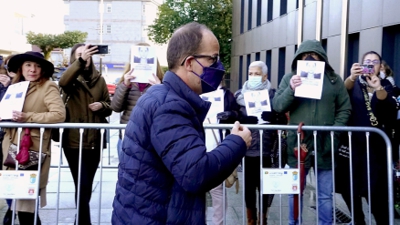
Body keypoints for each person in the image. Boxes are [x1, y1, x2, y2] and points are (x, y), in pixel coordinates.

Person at [112, 22, 252, 224]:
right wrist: (237, 142)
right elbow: (196, 174)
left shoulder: (164, 97)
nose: (218, 66)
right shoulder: (169, 107)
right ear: (189, 63)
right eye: (213, 59)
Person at [272, 39, 351, 225]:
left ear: (322, 57)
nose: (309, 58)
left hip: (326, 143)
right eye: (305, 56)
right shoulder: (289, 77)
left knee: (325, 195)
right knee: (295, 191)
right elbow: (278, 105)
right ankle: (294, 223)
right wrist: (292, 88)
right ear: (298, 58)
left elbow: (345, 108)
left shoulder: (333, 80)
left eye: (314, 55)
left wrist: (335, 131)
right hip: (298, 144)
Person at [1, 51, 66, 224]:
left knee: (25, 203)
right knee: (14, 198)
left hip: (31, 150)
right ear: (21, 68)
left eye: (37, 66)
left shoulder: (48, 86)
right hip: (10, 148)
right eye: (28, 65)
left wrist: (27, 117)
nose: (33, 69)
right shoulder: (16, 87)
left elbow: (58, 115)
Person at [341, 51, 397, 225]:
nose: (371, 64)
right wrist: (351, 77)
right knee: (350, 189)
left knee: (376, 196)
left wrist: (377, 88)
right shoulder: (354, 83)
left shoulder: (387, 84)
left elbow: (389, 106)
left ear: (381, 66)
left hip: (376, 149)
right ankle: (358, 221)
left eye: (375, 62)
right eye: (367, 61)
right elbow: (343, 92)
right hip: (354, 147)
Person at [59, 44, 112, 225]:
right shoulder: (71, 78)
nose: (85, 57)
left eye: (88, 54)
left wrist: (102, 106)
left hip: (95, 140)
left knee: (87, 185)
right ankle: (83, 222)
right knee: (81, 184)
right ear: (74, 58)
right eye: (80, 55)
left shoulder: (100, 80)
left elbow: (109, 106)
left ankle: (79, 220)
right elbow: (63, 82)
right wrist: (80, 62)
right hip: (74, 140)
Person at [236, 61, 288, 225]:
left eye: (257, 74)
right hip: (247, 149)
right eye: (250, 74)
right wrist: (243, 119)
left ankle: (263, 217)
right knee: (249, 188)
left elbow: (282, 118)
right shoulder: (239, 96)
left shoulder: (273, 96)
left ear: (265, 76)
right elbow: (233, 117)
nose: (253, 77)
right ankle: (251, 219)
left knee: (266, 186)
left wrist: (274, 118)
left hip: (267, 150)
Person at [111, 43, 164, 159]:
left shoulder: (161, 82)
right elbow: (115, 107)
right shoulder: (125, 82)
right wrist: (125, 85)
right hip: (127, 136)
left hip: (151, 139)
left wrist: (159, 89)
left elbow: (165, 110)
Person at [202, 79, 241, 225]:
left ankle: (218, 223)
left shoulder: (226, 94)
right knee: (198, 193)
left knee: (218, 192)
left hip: (217, 146)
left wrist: (230, 114)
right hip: (197, 146)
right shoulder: (194, 89)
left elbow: (238, 114)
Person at [0, 54, 17, 225]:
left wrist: (6, 87)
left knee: (10, 175)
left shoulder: (19, 85)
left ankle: (13, 209)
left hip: (11, 138)